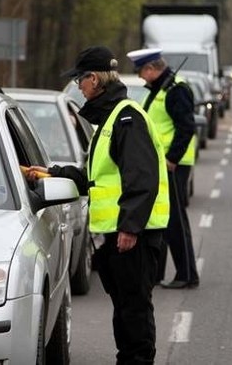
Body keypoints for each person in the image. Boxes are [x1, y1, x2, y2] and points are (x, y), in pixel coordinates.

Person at [25, 45, 170, 365]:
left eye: (80, 79)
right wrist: (51, 174)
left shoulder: (127, 118)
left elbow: (141, 178)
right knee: (124, 308)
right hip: (117, 233)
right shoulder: (111, 118)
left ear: (94, 78)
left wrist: (130, 227)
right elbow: (95, 176)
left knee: (134, 309)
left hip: (135, 235)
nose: (78, 86)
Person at [126, 48, 200, 289]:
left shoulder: (176, 90)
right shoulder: (161, 88)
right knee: (164, 220)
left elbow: (186, 127)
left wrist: (172, 159)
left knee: (175, 222)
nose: (140, 77)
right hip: (161, 165)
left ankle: (186, 275)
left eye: (140, 72)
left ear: (151, 69)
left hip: (173, 166)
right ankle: (158, 274)